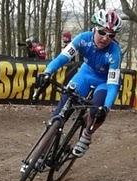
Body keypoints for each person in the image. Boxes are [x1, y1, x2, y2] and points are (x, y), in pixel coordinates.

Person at [35, 9, 123, 158]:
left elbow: (113, 85)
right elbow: (63, 57)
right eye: (102, 32)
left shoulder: (115, 52)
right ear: (94, 28)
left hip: (104, 82)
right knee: (64, 103)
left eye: (111, 35)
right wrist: (48, 72)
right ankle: (49, 136)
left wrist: (106, 107)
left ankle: (87, 133)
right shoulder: (83, 39)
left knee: (98, 110)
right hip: (85, 74)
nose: (105, 38)